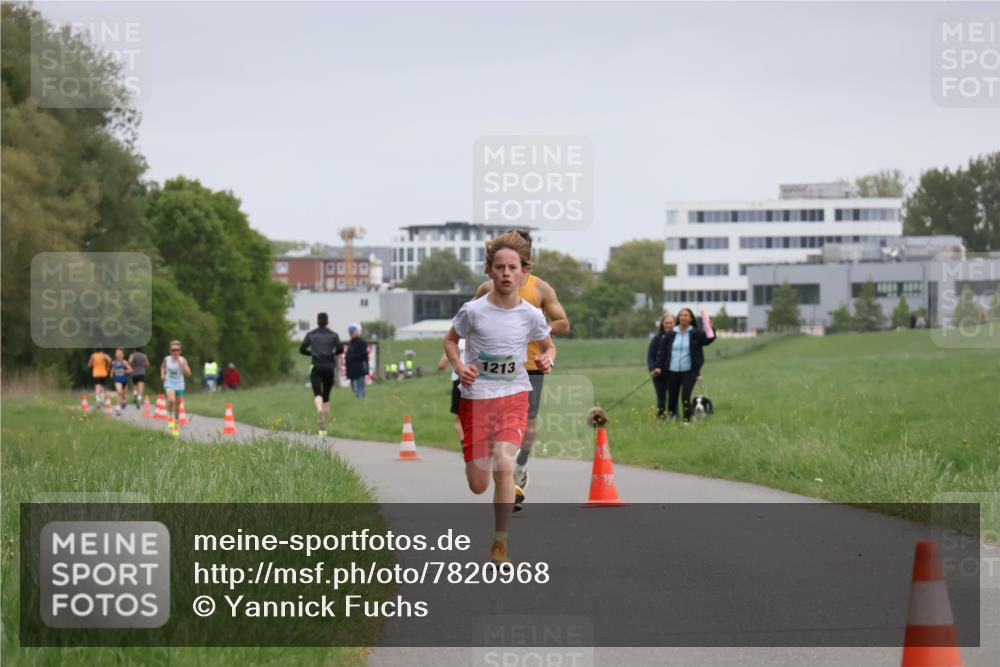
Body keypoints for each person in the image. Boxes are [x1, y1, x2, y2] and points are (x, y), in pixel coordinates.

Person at [445, 231, 555, 564]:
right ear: (489, 272)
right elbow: (450, 341)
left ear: (524, 273)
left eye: (513, 267)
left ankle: (500, 541)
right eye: (499, 267)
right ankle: (480, 465)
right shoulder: (473, 311)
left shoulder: (531, 315)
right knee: (478, 484)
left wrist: (548, 357)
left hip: (513, 396)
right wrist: (460, 365)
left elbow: (549, 344)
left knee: (505, 465)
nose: (506, 273)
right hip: (476, 399)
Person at [473, 230, 569, 509]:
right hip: (494, 368)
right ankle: (505, 473)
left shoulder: (541, 288)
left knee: (528, 424)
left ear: (526, 258)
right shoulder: (486, 288)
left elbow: (563, 322)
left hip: (530, 366)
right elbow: (471, 321)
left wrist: (537, 330)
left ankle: (519, 468)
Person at [652, 308, 716, 423]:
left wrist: (710, 327)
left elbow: (708, 339)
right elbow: (662, 352)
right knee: (672, 397)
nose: (683, 317)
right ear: (678, 318)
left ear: (690, 318)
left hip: (689, 371)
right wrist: (658, 367)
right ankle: (673, 419)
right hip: (672, 371)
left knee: (685, 397)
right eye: (681, 315)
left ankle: (686, 420)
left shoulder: (695, 333)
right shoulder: (671, 334)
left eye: (686, 315)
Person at [299, 312, 343, 436]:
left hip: (316, 367)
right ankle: (324, 429)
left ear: (317, 322)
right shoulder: (334, 335)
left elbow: (302, 349)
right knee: (326, 397)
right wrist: (332, 353)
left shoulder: (311, 334)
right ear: (327, 322)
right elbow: (340, 349)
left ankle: (319, 411)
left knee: (318, 394)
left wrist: (312, 353)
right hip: (329, 367)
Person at [437, 337, 467, 445]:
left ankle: (464, 444)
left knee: (459, 418)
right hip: (476, 381)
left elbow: (442, 365)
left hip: (459, 381)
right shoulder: (478, 340)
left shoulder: (454, 343)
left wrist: (439, 369)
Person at [160, 340, 192, 436]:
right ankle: (170, 416)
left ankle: (176, 424)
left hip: (179, 384)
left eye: (177, 350)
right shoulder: (167, 359)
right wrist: (162, 374)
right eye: (173, 350)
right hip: (169, 382)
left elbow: (189, 373)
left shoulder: (182, 360)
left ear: (180, 351)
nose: (175, 352)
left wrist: (182, 365)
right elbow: (162, 367)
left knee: (178, 406)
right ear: (170, 351)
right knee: (172, 400)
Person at [647, 314, 675, 419]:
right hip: (658, 375)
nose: (668, 325)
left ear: (675, 323)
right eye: (666, 323)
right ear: (663, 324)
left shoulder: (678, 338)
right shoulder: (656, 339)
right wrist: (652, 369)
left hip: (673, 373)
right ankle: (661, 419)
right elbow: (650, 356)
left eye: (671, 323)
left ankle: (674, 417)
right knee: (661, 399)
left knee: (673, 398)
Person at [345, 324, 369, 399]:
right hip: (352, 369)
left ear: (357, 332)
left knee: (360, 386)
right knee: (354, 387)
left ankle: (360, 399)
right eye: (350, 333)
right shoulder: (351, 342)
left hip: (359, 367)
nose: (351, 334)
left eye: (352, 333)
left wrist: (353, 357)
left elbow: (363, 354)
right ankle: (360, 397)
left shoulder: (361, 342)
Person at [111, 347, 133, 414]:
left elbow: (131, 370)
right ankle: (118, 408)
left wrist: (125, 371)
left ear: (123, 355)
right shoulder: (114, 363)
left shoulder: (124, 363)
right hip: (117, 380)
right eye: (117, 353)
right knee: (119, 392)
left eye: (119, 353)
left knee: (123, 396)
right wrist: (113, 373)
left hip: (125, 381)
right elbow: (111, 374)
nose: (118, 355)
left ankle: (124, 402)